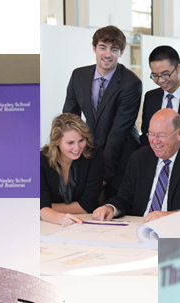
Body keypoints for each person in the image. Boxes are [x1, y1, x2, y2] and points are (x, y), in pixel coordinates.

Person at [91, 109, 180, 222]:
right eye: (151, 134)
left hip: (177, 229)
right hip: (139, 226)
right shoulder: (139, 158)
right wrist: (110, 208)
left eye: (161, 135)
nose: (155, 141)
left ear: (179, 133)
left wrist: (171, 215)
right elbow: (124, 198)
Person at [63, 25, 143, 199]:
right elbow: (69, 119)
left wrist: (103, 174)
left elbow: (118, 133)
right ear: (94, 48)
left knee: (114, 209)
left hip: (121, 156)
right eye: (102, 47)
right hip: (89, 151)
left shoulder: (131, 83)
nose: (108, 54)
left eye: (114, 49)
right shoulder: (79, 76)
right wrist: (66, 159)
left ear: (121, 52)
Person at [40, 113, 103, 226]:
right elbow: (39, 206)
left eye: (81, 140)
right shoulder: (40, 160)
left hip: (86, 222)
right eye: (70, 143)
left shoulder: (94, 154)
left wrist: (48, 209)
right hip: (50, 223)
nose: (77, 148)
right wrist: (58, 217)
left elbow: (87, 205)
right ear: (56, 142)